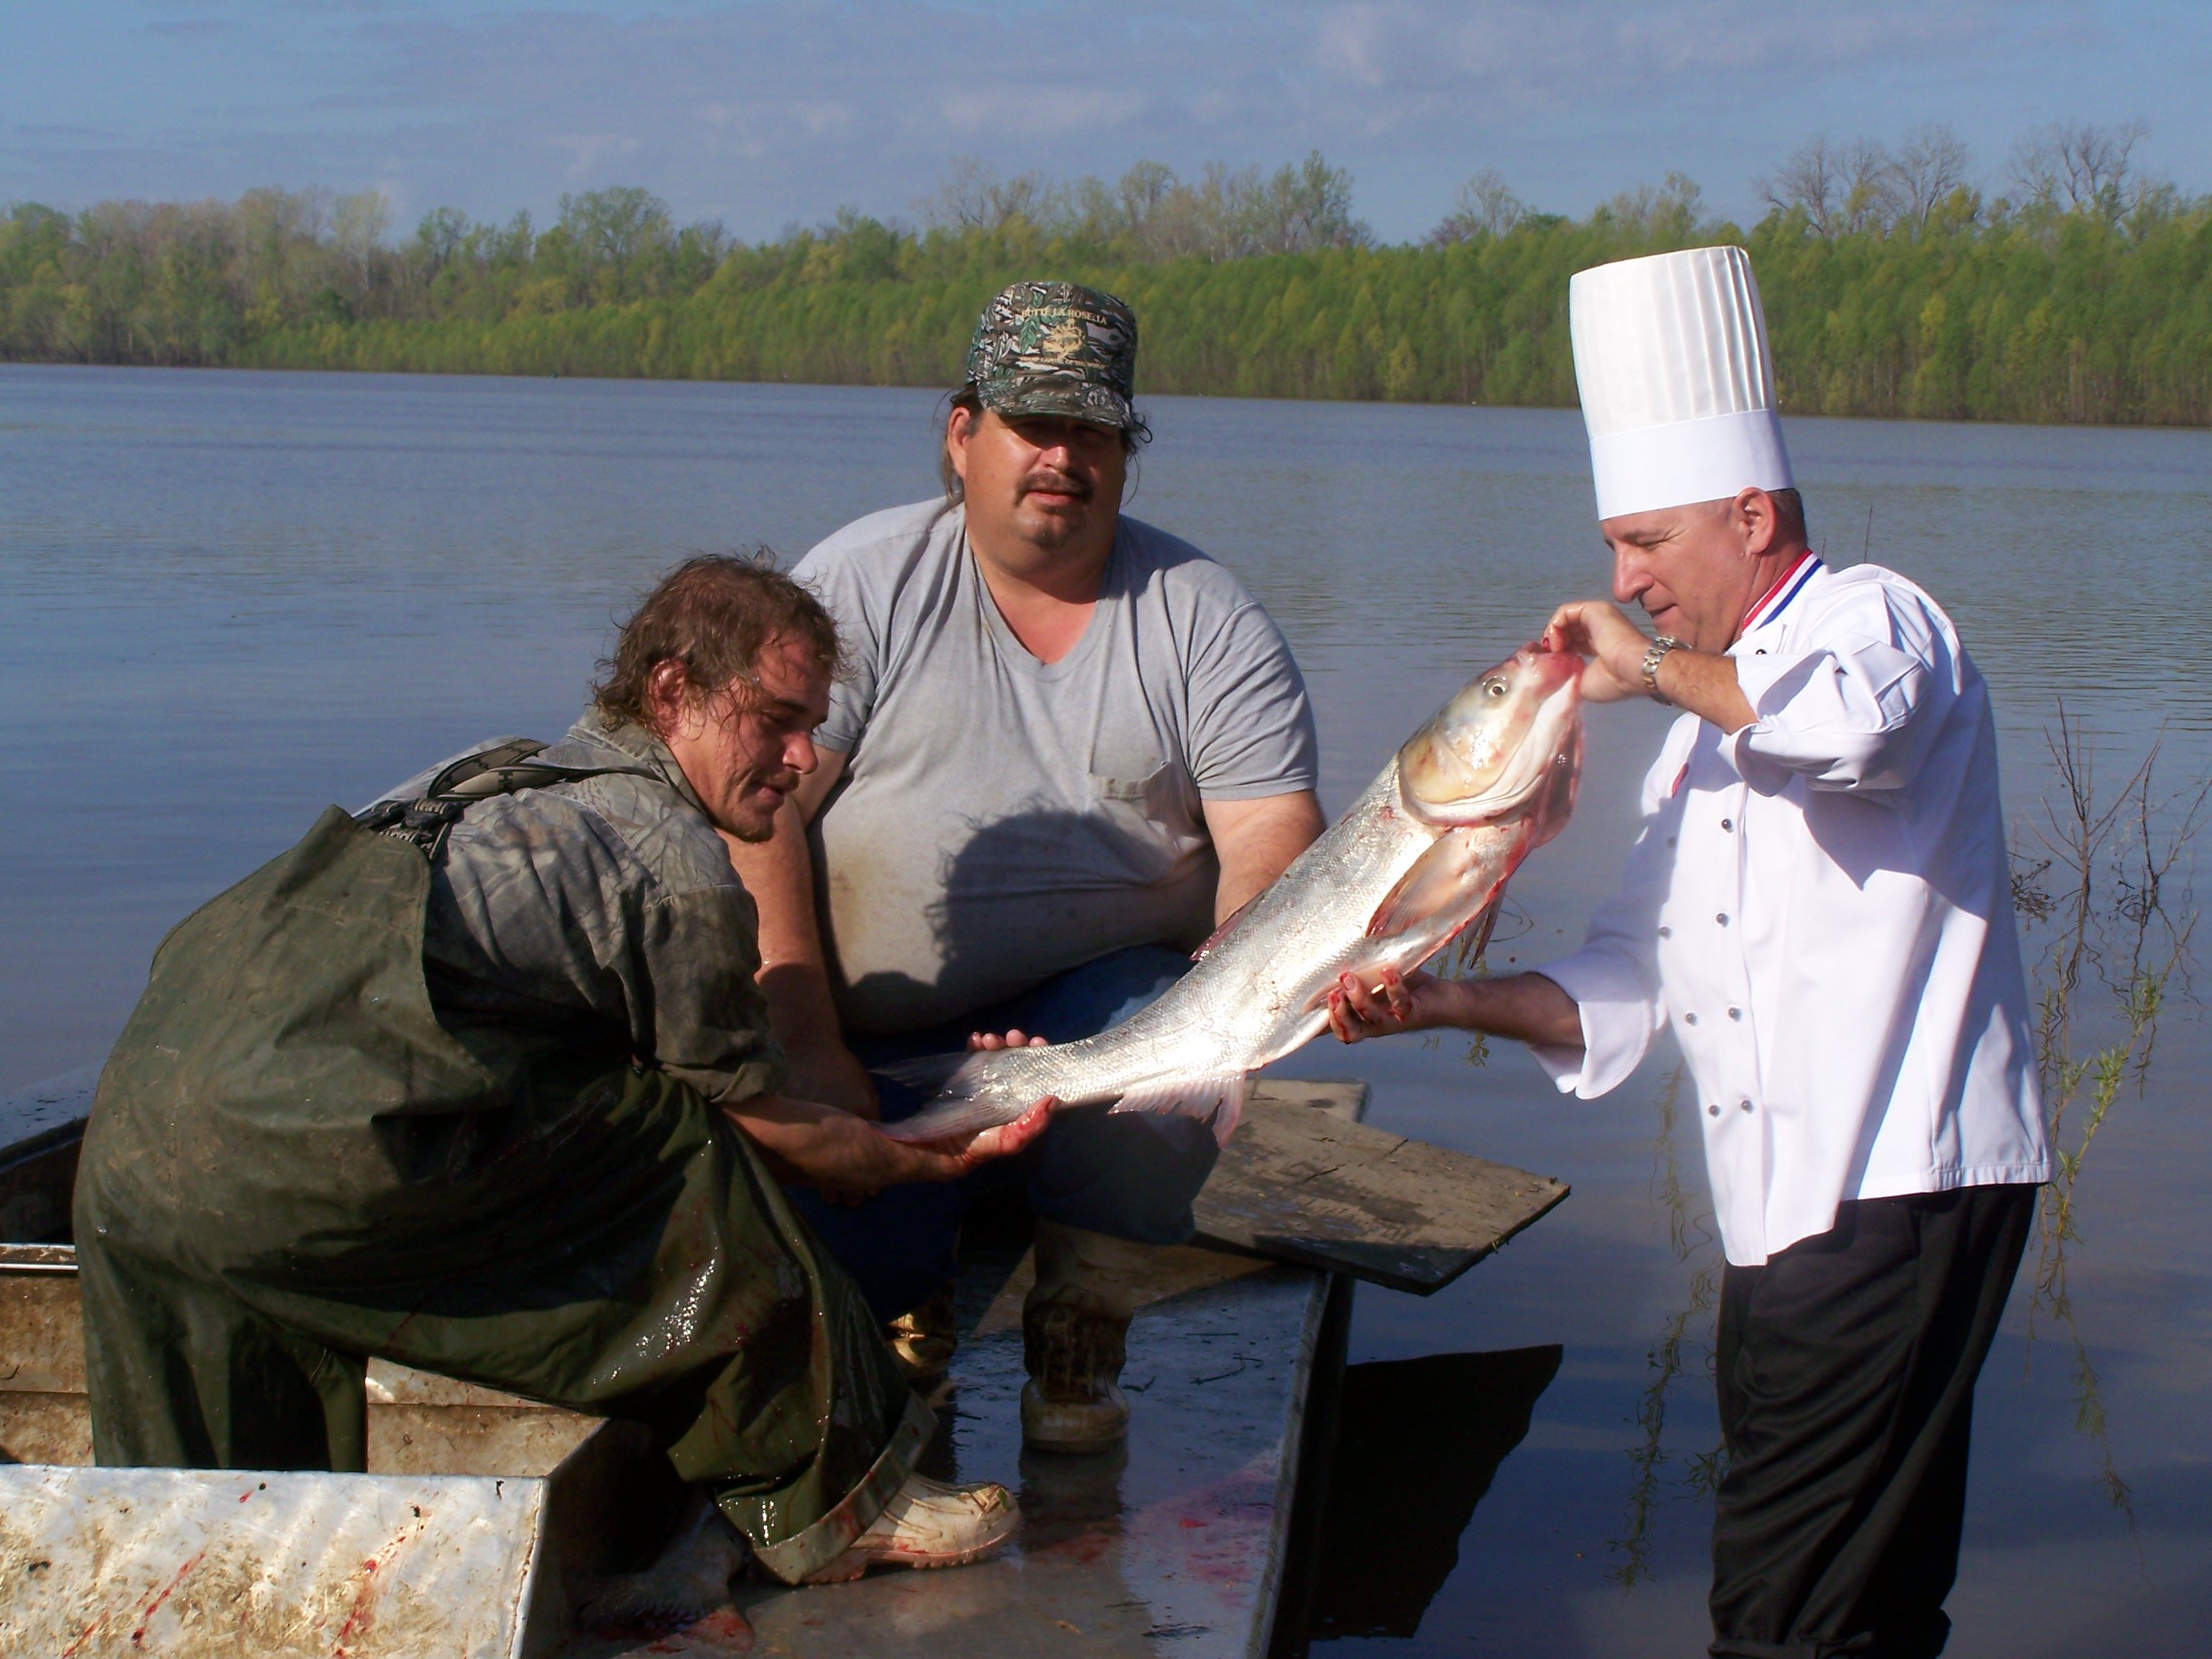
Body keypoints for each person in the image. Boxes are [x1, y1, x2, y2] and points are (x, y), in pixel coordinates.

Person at [1325, 246, 2050, 1659]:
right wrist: (1437, 1003)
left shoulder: (1878, 622)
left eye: (1647, 543)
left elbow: (1842, 732)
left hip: (1902, 1185)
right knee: (1864, 1599)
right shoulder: (1692, 765)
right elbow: (1621, 985)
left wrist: (1649, 674)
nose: (1625, 581)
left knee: (1781, 1613)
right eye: (1616, 549)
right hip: (1780, 1214)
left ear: (1753, 512)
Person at [74, 555, 1052, 1594]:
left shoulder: (490, 769)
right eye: (774, 720)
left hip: (131, 1143)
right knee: (683, 1142)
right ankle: (840, 1500)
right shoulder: (671, 855)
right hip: (306, 1147)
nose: (805, 758)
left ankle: (192, 1580)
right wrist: (919, 1156)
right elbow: (768, 1128)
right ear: (673, 691)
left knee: (196, 1507)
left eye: (812, 723)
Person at [729, 280, 1325, 1452]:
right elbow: (758, 815)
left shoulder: (1205, 617)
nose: (1061, 457)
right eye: (1031, 425)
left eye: (1091, 431)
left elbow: (1271, 847)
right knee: (846, 1240)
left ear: (1125, 450)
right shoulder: (864, 583)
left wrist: (1239, 991)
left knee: (1175, 1062)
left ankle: (1081, 1319)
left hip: (1099, 1025)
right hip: (870, 1043)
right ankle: (907, 1318)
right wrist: (808, 1044)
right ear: (963, 436)